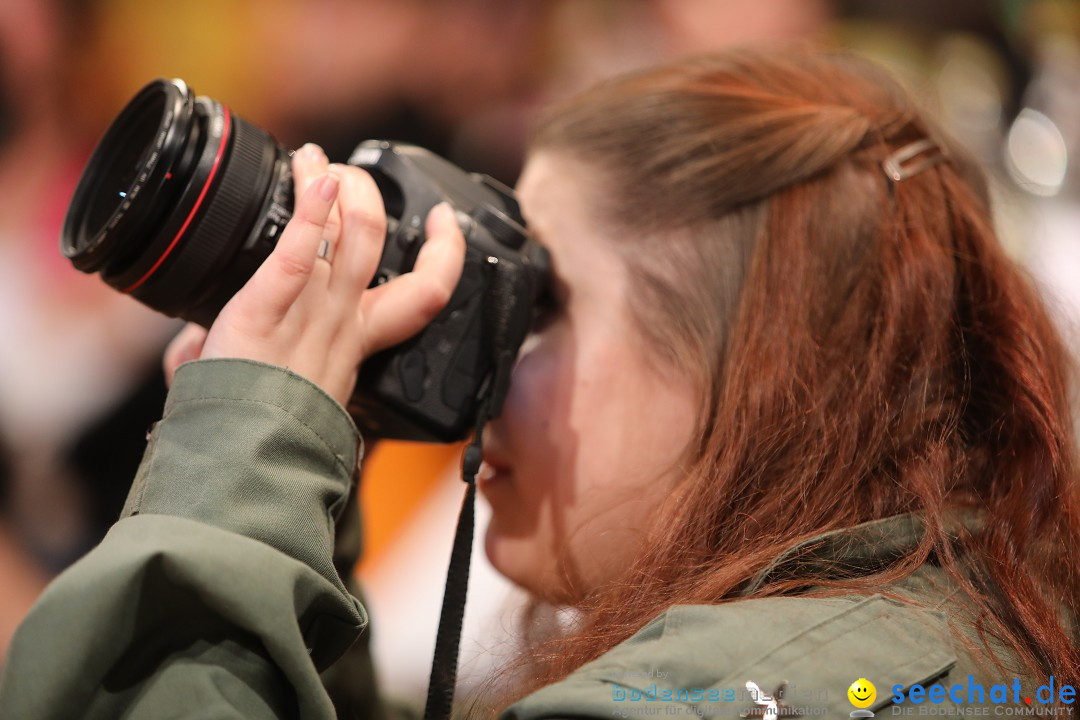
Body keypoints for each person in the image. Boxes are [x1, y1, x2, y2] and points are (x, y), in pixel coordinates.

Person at [1, 45, 1078, 718]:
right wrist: (280, 481)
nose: (486, 364)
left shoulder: (703, 702)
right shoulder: (948, 633)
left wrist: (229, 463)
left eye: (538, 304)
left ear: (760, 373)